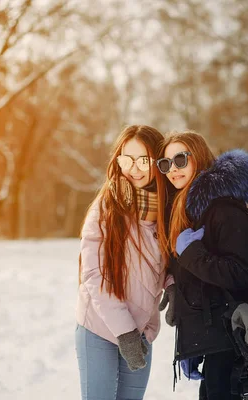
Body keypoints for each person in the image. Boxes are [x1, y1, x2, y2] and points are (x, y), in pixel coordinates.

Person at [156, 131, 248, 400]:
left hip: (229, 338)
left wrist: (190, 253)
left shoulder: (225, 209)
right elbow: (199, 282)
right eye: (165, 164)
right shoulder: (190, 209)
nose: (173, 170)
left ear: (198, 156)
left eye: (180, 160)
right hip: (212, 339)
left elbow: (240, 274)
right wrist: (191, 339)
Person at [75, 125, 172, 400]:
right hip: (99, 328)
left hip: (140, 330)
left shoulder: (166, 209)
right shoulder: (107, 207)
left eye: (143, 160)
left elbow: (167, 260)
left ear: (158, 161)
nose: (134, 169)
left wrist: (173, 283)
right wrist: (125, 332)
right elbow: (94, 274)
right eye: (126, 159)